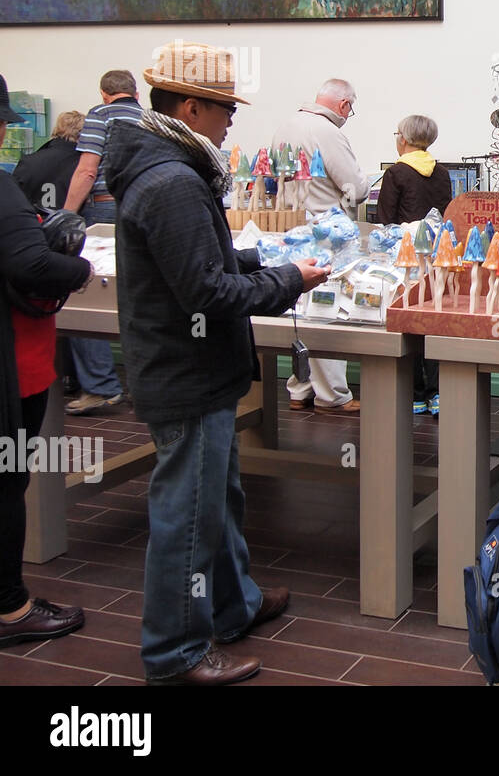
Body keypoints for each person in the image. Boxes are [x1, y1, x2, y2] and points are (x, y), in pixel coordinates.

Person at [103, 42, 330, 685]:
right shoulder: (172, 181)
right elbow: (205, 292)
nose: (232, 119)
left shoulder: (168, 166)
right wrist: (288, 278)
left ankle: (233, 606)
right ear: (191, 106)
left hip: (196, 369)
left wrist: (260, 262)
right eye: (225, 107)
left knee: (220, 498)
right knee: (189, 516)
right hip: (187, 373)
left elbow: (202, 261)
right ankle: (175, 651)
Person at [0, 74, 94, 649]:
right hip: (12, 362)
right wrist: (81, 271)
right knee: (7, 481)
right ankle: (10, 608)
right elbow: (33, 265)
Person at [270, 79, 370, 414]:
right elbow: (353, 189)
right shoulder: (328, 131)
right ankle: (333, 395)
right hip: (328, 234)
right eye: (350, 110)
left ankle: (299, 388)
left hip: (291, 227)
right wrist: (364, 183)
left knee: (299, 309)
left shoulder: (286, 125)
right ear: (343, 105)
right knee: (328, 308)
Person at [61, 72, 140, 416]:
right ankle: (141, 384)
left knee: (86, 293)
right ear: (135, 92)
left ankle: (100, 386)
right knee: (140, 295)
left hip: (106, 208)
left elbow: (87, 171)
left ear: (105, 94)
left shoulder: (100, 115)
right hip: (145, 209)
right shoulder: (152, 117)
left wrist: (65, 215)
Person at [375, 114, 451, 415]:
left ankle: (415, 395)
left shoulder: (396, 173)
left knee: (407, 323)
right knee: (433, 322)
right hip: (435, 259)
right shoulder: (442, 173)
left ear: (402, 139)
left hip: (405, 261)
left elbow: (385, 221)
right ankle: (437, 394)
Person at [13, 111, 84, 210]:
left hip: (34, 221)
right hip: (73, 221)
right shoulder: (85, 165)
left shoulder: (29, 161)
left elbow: (15, 199)